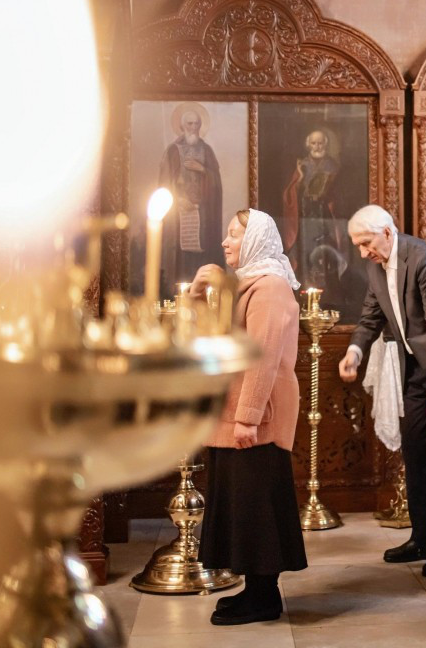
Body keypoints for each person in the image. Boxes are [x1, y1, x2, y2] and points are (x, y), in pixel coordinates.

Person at [338, 205, 426, 577]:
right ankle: (424, 536)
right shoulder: (375, 264)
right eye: (357, 245)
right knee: (416, 452)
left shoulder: (424, 258)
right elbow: (370, 315)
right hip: (415, 370)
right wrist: (355, 351)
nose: (362, 252)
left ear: (386, 232)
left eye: (365, 243)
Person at [188, 209, 307, 626]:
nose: (225, 241)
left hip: (256, 416)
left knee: (257, 505)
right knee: (243, 505)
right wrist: (198, 296)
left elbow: (262, 357)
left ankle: (264, 598)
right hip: (236, 411)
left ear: (255, 240)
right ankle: (255, 592)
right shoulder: (245, 285)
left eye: (234, 234)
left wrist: (249, 417)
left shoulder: (271, 288)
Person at [158, 103, 224, 291]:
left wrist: (203, 169)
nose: (193, 127)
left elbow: (216, 183)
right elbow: (164, 184)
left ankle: (203, 292)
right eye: (189, 124)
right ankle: (178, 290)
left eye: (196, 124)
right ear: (181, 126)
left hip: (202, 212)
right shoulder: (172, 151)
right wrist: (177, 200)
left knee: (201, 250)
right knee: (180, 254)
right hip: (179, 213)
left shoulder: (207, 150)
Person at [281, 128, 343, 287]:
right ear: (308, 145)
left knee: (324, 252)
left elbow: (340, 195)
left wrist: (327, 197)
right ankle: (307, 286)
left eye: (320, 143)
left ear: (326, 145)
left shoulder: (332, 165)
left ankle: (327, 289)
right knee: (306, 251)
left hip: (324, 217)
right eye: (314, 143)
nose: (317, 147)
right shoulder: (303, 165)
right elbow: (289, 195)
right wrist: (301, 178)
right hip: (305, 218)